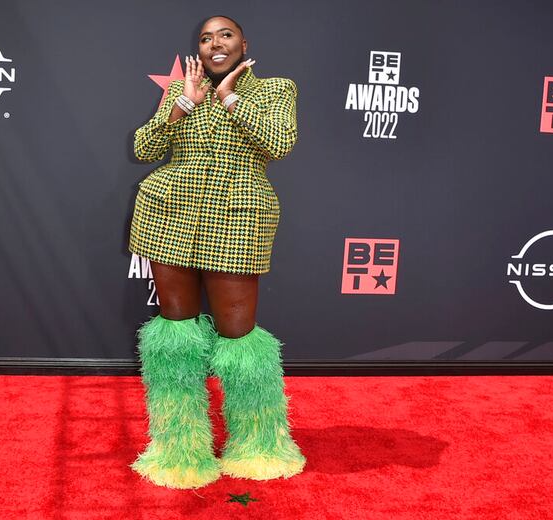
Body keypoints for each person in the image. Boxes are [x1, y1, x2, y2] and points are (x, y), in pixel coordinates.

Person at [127, 15, 305, 489]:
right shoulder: (181, 89)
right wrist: (183, 103)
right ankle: (179, 450)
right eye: (205, 38)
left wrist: (230, 97)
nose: (214, 43)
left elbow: (280, 143)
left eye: (225, 34)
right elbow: (144, 148)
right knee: (175, 333)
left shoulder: (275, 89)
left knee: (239, 335)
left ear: (244, 43)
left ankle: (260, 446)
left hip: (238, 214)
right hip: (170, 212)